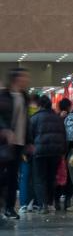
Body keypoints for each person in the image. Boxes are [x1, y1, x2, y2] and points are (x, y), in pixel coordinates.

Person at [0, 68, 30, 219]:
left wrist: (29, 141)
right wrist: (5, 130)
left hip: (19, 143)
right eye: (24, 77)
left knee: (13, 176)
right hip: (4, 143)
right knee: (2, 176)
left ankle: (10, 208)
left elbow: (26, 120)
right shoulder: (3, 96)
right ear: (16, 79)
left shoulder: (24, 96)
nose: (26, 80)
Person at [29, 95, 65, 213]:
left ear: (39, 105)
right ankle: (49, 203)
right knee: (51, 178)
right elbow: (63, 135)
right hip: (55, 153)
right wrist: (62, 152)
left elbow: (30, 136)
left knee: (40, 179)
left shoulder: (34, 118)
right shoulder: (58, 118)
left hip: (39, 152)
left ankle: (42, 205)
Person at [17, 92, 40, 214]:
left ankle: (24, 204)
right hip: (37, 149)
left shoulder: (22, 113)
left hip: (25, 149)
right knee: (36, 177)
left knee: (24, 177)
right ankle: (35, 203)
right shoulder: (38, 113)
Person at [55, 98, 73, 210]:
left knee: (58, 175)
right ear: (69, 107)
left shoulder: (55, 117)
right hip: (68, 150)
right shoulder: (72, 117)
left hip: (57, 151)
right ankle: (67, 200)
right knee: (68, 176)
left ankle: (56, 200)